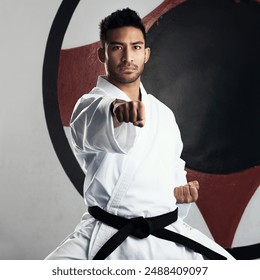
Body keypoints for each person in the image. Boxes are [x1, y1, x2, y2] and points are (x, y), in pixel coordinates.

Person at [45, 8, 234, 260]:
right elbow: (94, 123)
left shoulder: (163, 114)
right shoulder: (89, 106)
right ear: (103, 53)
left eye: (135, 47)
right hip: (109, 234)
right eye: (117, 48)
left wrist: (181, 193)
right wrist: (116, 112)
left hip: (165, 233)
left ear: (146, 54)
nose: (127, 57)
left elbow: (174, 171)